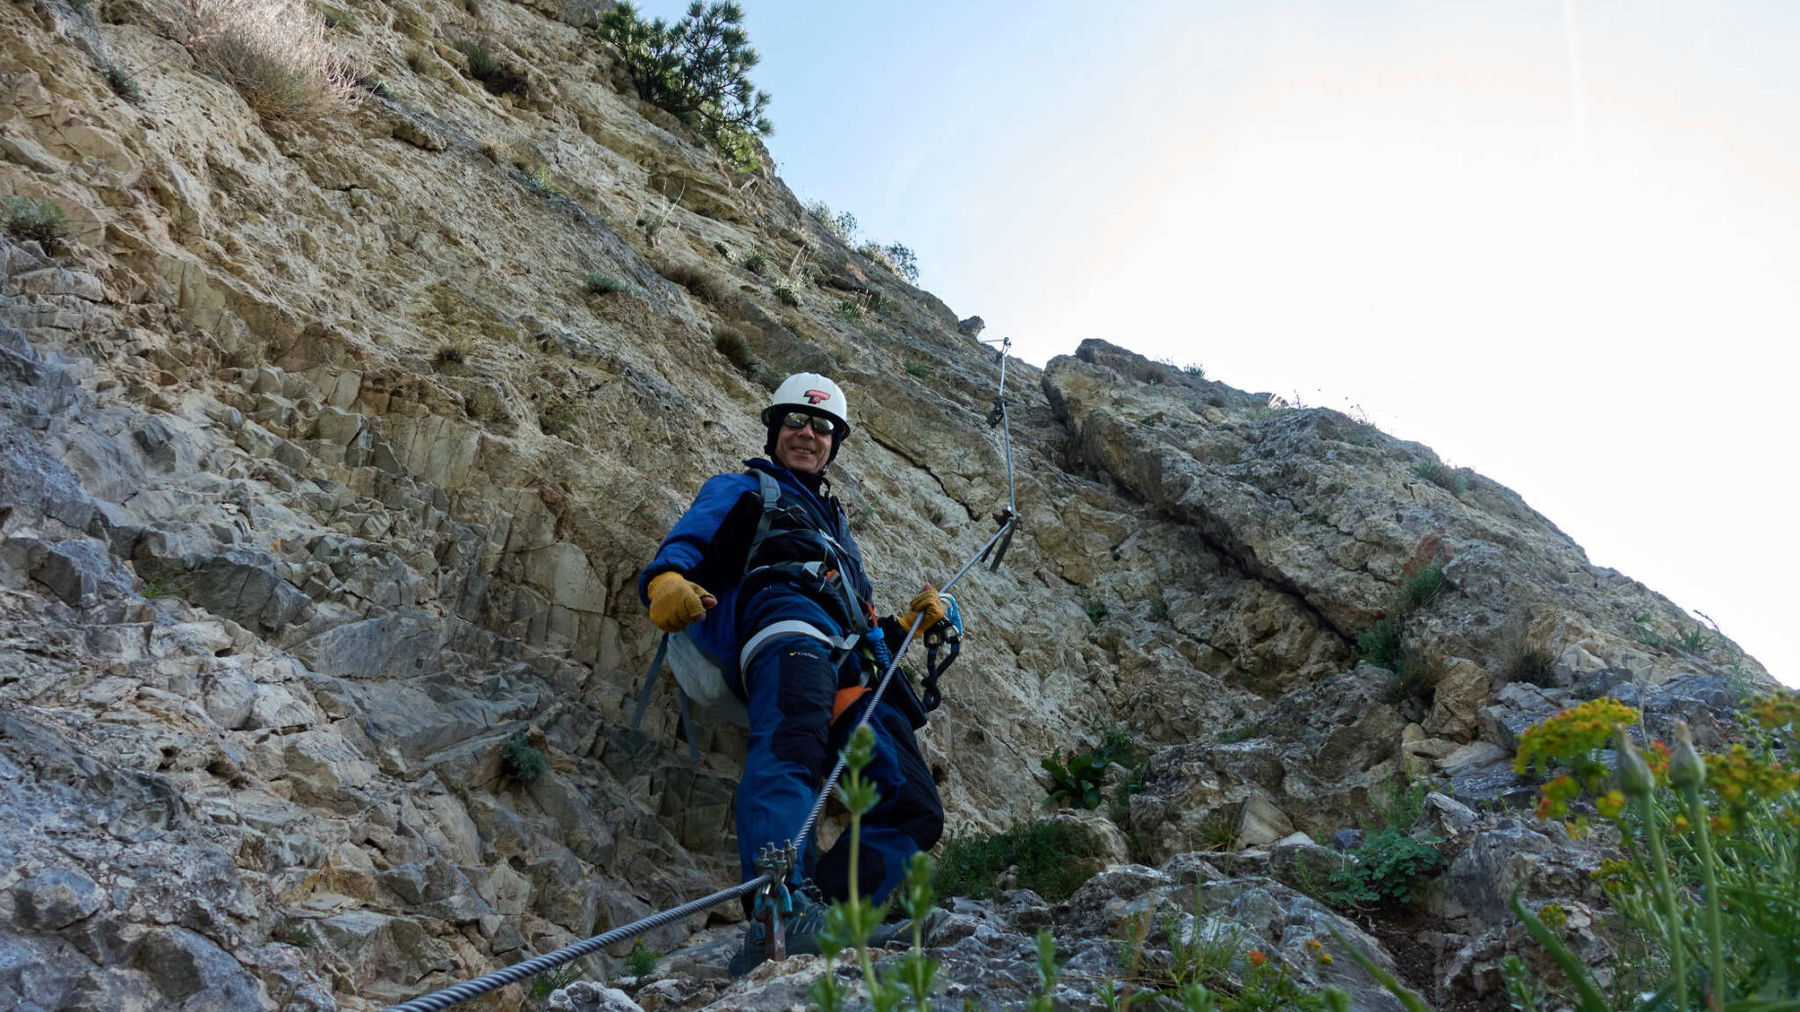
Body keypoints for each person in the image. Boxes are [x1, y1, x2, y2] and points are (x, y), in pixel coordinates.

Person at [638, 372, 947, 973]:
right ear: (775, 429)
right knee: (791, 748)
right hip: (785, 624)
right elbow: (689, 544)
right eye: (797, 422)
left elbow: (858, 612)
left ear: (835, 442)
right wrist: (663, 580)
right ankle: (776, 914)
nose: (810, 433)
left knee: (914, 806)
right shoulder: (745, 488)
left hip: (853, 657)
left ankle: (831, 911)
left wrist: (905, 624)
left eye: (823, 426)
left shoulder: (838, 529)